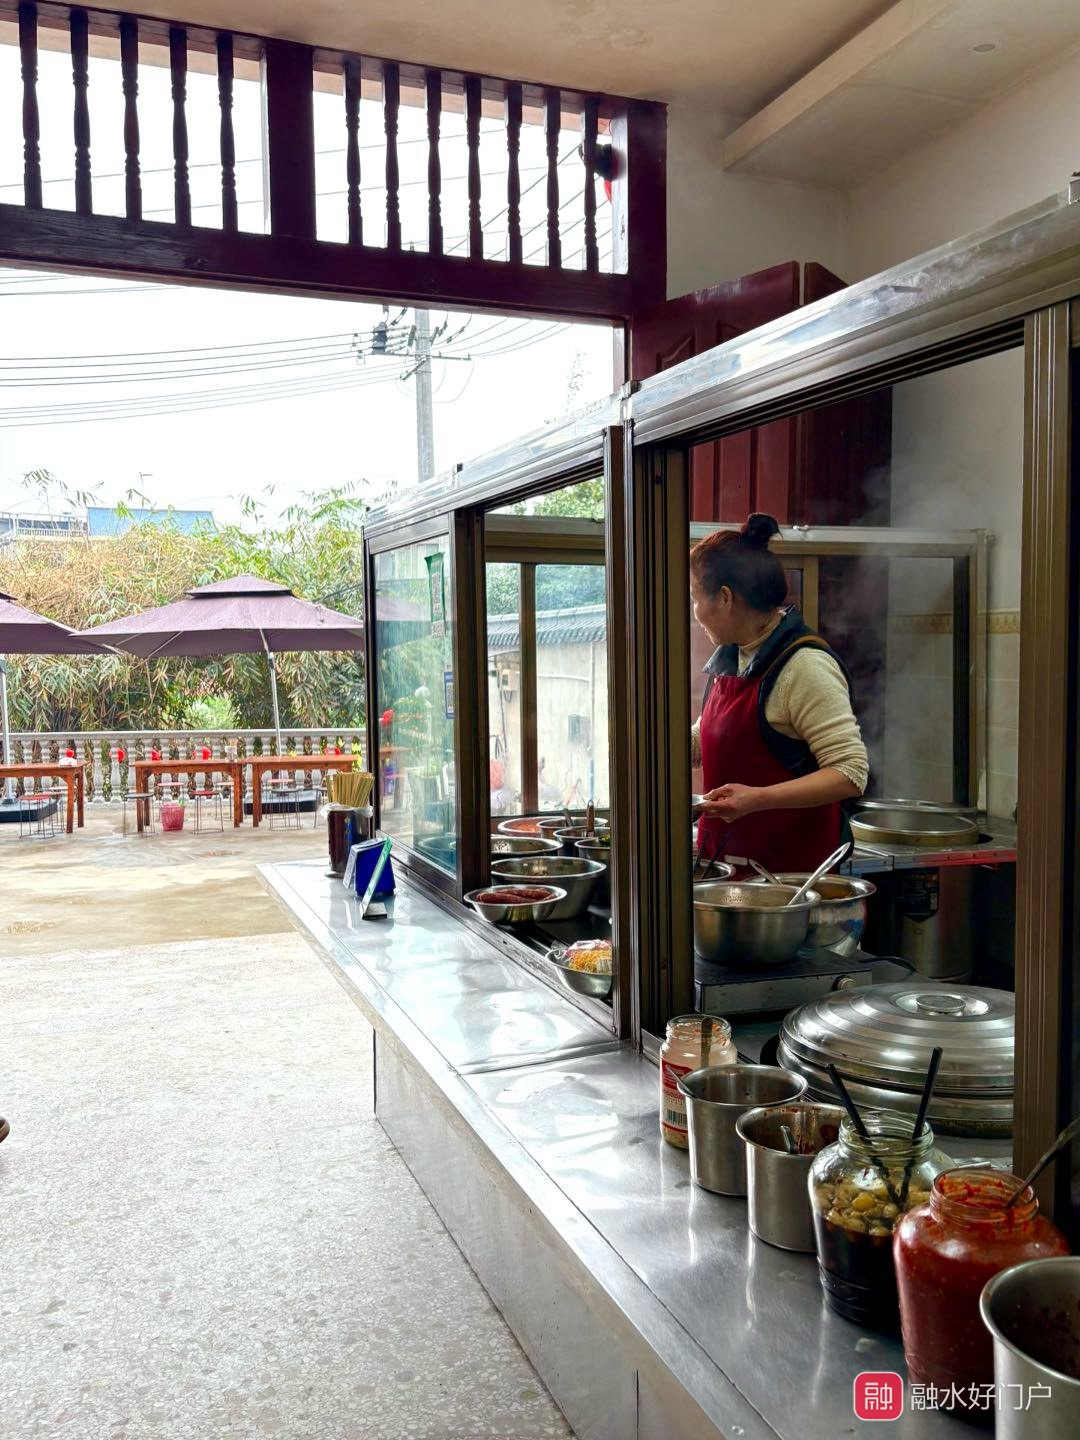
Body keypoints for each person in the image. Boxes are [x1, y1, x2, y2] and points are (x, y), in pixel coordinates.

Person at [691, 513, 868, 875]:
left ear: (724, 598)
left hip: (786, 883)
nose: (695, 612)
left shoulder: (803, 666)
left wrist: (757, 799)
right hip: (722, 871)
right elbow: (711, 739)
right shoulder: (732, 656)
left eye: (695, 597)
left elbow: (850, 772)